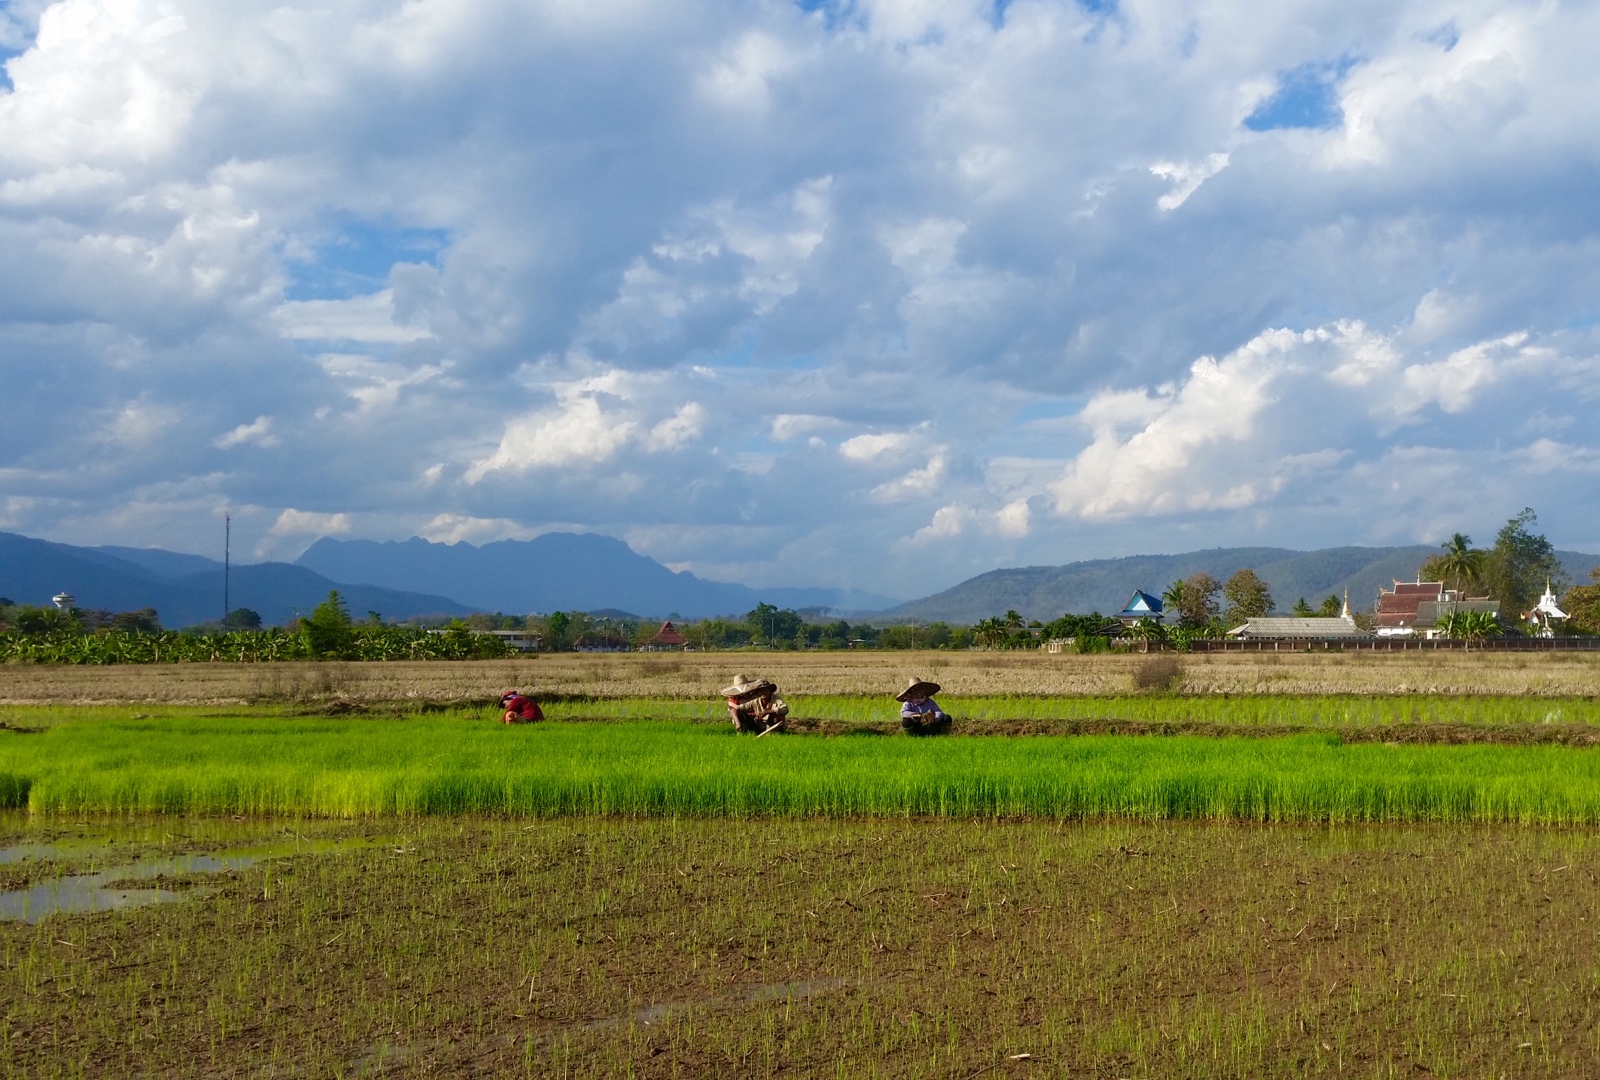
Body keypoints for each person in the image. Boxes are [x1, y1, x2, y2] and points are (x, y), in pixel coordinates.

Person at [720, 674, 789, 734]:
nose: (763, 693)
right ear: (759, 692)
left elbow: (785, 709)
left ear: (770, 691)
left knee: (772, 716)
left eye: (765, 690)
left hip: (773, 724)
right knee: (740, 714)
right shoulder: (754, 700)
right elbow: (735, 708)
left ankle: (771, 735)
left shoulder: (775, 699)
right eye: (761, 691)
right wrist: (738, 723)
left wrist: (767, 712)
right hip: (756, 723)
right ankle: (743, 734)